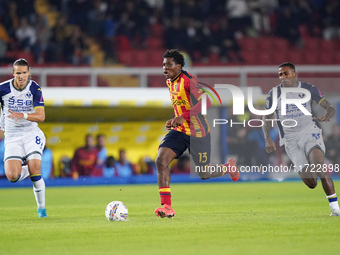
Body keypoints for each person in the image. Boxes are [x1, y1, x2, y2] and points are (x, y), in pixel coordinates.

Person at [154, 49, 240, 218]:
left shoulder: (189, 80)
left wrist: (183, 116)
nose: (165, 68)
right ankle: (167, 206)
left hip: (198, 132)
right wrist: (174, 119)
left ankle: (228, 167)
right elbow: (182, 105)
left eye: (169, 64)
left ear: (178, 66)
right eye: (163, 64)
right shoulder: (170, 81)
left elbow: (207, 101)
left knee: (204, 173)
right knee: (161, 160)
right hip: (179, 131)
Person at [262, 62, 340, 216]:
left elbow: (330, 107)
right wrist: (267, 138)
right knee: (311, 183)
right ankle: (310, 166)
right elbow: (266, 118)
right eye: (280, 74)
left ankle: (335, 209)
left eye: (286, 73)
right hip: (290, 140)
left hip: (310, 132)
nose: (283, 77)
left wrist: (327, 116)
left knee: (319, 167)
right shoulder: (274, 93)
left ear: (294, 74)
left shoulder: (308, 89)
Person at [0, 58, 47, 218]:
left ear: (29, 74)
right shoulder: (3, 89)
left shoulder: (35, 89)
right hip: (12, 137)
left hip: (31, 134)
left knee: (36, 173)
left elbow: (41, 116)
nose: (21, 76)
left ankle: (42, 210)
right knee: (12, 176)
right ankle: (29, 170)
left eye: (24, 73)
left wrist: (23, 115)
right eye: (18, 73)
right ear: (13, 73)